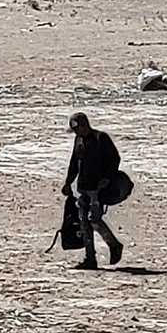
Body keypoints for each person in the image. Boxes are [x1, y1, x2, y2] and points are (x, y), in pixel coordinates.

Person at [64, 113, 125, 269]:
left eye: (77, 129)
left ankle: (114, 245)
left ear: (84, 125)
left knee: (94, 220)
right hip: (83, 188)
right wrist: (68, 182)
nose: (76, 132)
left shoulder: (101, 138)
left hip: (97, 189)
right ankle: (90, 258)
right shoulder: (78, 140)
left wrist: (107, 178)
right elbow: (74, 162)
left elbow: (114, 159)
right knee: (84, 222)